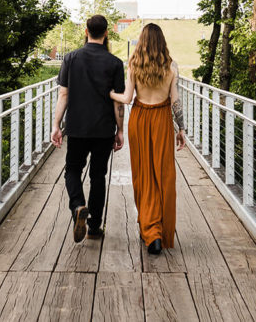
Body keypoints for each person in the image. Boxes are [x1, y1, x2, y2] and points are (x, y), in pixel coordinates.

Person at [110, 23, 186, 255]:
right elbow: (175, 101)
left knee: (143, 174)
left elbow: (127, 97)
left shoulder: (134, 65)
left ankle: (149, 229)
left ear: (142, 41)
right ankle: (160, 231)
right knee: (163, 174)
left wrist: (108, 93)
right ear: (161, 41)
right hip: (162, 120)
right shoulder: (171, 67)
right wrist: (181, 129)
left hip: (140, 120)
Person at [51, 15, 126, 243]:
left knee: (72, 170)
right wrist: (120, 131)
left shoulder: (71, 58)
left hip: (76, 127)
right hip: (103, 129)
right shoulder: (115, 63)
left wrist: (56, 125)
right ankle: (94, 227)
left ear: (86, 31)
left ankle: (77, 205)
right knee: (98, 176)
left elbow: (63, 94)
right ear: (106, 34)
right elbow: (118, 102)